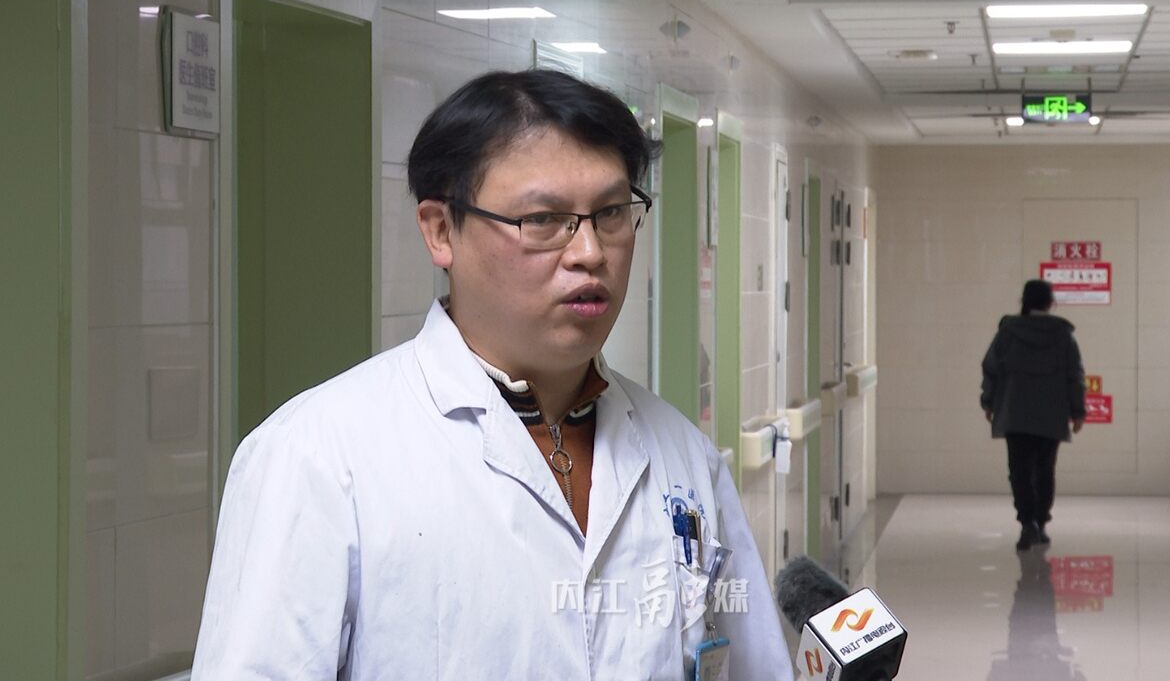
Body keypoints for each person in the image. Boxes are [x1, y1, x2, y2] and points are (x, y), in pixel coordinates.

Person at [190, 69, 793, 680]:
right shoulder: (318, 458)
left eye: (611, 212)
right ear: (441, 230)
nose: (590, 252)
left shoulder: (684, 457)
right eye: (543, 219)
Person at [980, 279, 1085, 552]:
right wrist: (1078, 411)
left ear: (1024, 301)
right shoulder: (1063, 335)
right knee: (1045, 469)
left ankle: (1028, 523)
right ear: (1051, 303)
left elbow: (991, 368)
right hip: (1052, 414)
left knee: (1020, 471)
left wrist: (988, 401)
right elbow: (1075, 375)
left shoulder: (1008, 332)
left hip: (1015, 412)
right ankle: (1041, 522)